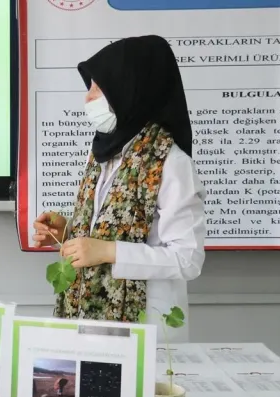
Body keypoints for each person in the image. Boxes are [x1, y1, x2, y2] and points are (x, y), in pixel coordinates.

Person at [32, 35, 206, 342]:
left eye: (99, 88)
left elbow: (187, 258)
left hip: (145, 325)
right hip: (90, 321)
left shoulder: (170, 161)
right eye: (90, 88)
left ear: (130, 88)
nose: (89, 98)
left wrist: (108, 252)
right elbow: (110, 232)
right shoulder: (106, 155)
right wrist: (69, 234)